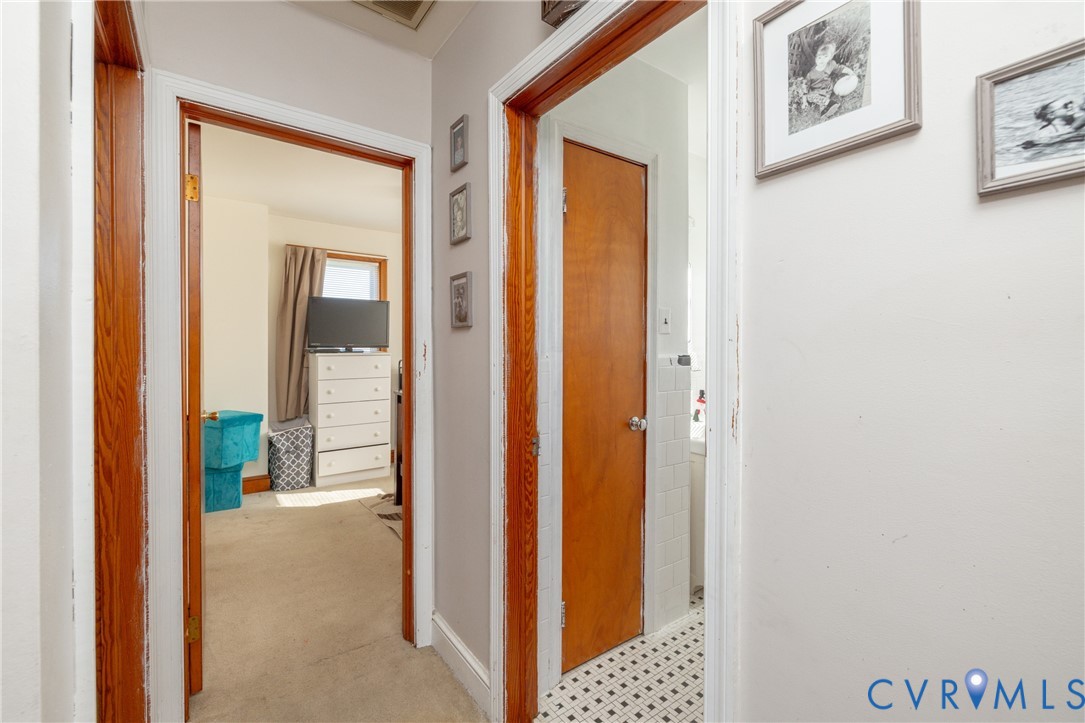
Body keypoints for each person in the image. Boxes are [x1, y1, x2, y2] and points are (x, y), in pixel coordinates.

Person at [804, 41, 857, 118]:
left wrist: (850, 72)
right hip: (817, 92)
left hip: (827, 90)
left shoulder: (831, 64)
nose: (822, 60)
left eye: (825, 57)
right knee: (811, 96)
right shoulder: (811, 74)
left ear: (830, 57)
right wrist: (804, 101)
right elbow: (805, 88)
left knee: (815, 98)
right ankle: (825, 111)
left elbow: (840, 68)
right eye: (819, 57)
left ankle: (831, 103)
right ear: (816, 58)